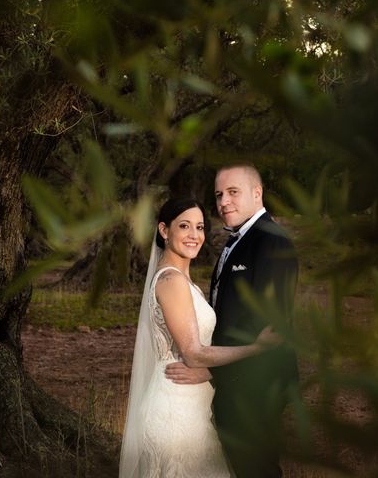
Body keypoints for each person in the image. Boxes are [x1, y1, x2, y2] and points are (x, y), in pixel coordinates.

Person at [119, 197, 280, 478]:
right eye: (184, 226)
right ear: (164, 230)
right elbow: (193, 353)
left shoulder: (184, 281)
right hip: (175, 415)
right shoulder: (172, 282)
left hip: (191, 409)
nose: (194, 235)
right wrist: (256, 348)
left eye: (200, 227)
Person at [166, 164, 299, 478]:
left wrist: (210, 369)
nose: (223, 201)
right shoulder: (235, 240)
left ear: (257, 193)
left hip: (257, 382)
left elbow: (267, 322)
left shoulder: (272, 240)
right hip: (239, 381)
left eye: (233, 192)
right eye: (219, 195)